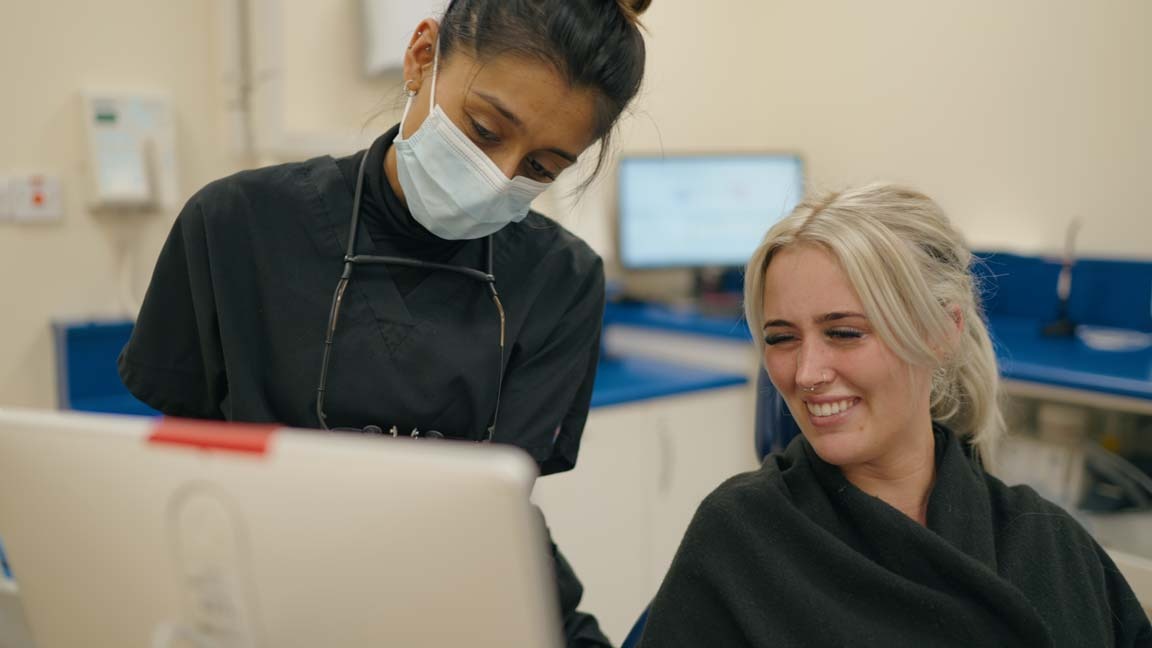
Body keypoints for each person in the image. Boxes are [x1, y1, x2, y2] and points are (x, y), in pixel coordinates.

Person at [119, 1, 652, 645]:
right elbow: (179, 487)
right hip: (271, 605)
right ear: (422, 57)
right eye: (484, 130)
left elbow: (496, 514)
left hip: (468, 597)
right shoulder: (236, 226)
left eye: (541, 168)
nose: (499, 178)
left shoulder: (562, 280)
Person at [638, 184, 1152, 647]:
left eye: (844, 333)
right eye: (781, 338)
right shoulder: (738, 539)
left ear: (943, 332)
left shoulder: (1051, 545)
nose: (807, 373)